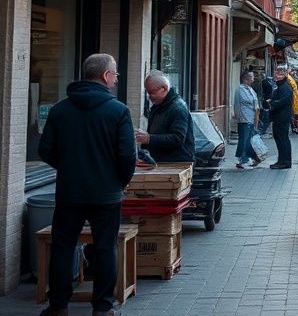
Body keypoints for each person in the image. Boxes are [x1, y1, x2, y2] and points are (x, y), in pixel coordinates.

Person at [38, 53, 136, 316]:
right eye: (115, 74)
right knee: (105, 248)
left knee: (62, 247)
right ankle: (103, 308)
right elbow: (128, 155)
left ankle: (58, 306)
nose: (116, 80)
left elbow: (45, 149)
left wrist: (70, 168)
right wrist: (120, 181)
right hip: (106, 194)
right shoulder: (118, 111)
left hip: (70, 192)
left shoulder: (60, 110)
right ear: (105, 75)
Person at [136, 70, 195, 163]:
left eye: (153, 92)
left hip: (177, 163)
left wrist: (149, 139)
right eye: (148, 92)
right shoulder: (160, 106)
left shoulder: (177, 108)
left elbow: (178, 138)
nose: (150, 96)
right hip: (166, 161)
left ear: (165, 88)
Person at [268, 65, 295, 169]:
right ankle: (282, 160)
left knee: (282, 138)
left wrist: (273, 103)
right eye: (276, 74)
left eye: (279, 74)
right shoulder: (281, 86)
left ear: (284, 75)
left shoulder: (285, 87)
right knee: (281, 138)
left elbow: (285, 100)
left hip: (282, 117)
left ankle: (284, 161)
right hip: (280, 116)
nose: (276, 76)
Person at [233, 70, 260, 169]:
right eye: (252, 76)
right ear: (245, 78)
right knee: (244, 140)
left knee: (248, 139)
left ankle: (249, 157)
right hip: (244, 117)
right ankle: (242, 159)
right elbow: (248, 101)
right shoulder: (241, 89)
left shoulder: (250, 89)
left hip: (252, 117)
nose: (253, 78)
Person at [257, 70, 274, 136]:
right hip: (266, 102)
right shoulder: (266, 83)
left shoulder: (264, 83)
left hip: (265, 102)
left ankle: (262, 130)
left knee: (264, 117)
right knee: (265, 117)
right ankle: (262, 130)